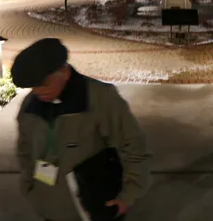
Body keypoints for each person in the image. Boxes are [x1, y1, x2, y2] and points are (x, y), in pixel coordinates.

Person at [13, 38, 151, 221]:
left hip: (97, 207)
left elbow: (133, 145)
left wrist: (128, 195)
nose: (38, 91)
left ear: (64, 72)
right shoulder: (30, 107)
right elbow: (25, 150)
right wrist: (30, 187)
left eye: (44, 83)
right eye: (33, 86)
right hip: (51, 208)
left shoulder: (101, 98)